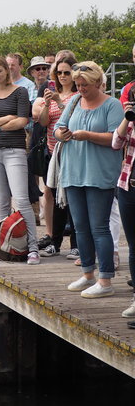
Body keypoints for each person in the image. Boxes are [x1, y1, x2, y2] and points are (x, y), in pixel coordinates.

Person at [55, 62, 123, 297]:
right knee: (80, 227)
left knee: (99, 228)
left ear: (97, 82)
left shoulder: (112, 105)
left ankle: (105, 281)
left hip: (99, 174)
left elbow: (116, 139)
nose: (81, 88)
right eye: (78, 84)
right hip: (74, 173)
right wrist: (60, 133)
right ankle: (87, 273)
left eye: (85, 84)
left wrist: (88, 136)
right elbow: (58, 127)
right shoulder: (74, 101)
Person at [0, 56, 40, 264]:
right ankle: (3, 246)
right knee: (2, 202)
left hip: (14, 150)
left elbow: (23, 120)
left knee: (22, 200)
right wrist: (6, 119)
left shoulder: (20, 92)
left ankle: (33, 247)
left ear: (7, 70)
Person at [33, 55, 79, 258]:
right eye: (58, 72)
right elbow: (43, 123)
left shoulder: (78, 95)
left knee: (72, 199)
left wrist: (60, 103)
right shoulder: (53, 94)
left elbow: (76, 120)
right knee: (54, 197)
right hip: (53, 153)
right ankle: (55, 242)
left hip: (74, 153)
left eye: (66, 72)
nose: (62, 76)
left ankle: (76, 245)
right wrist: (46, 104)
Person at [113, 98, 135, 320]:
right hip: (128, 186)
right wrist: (126, 118)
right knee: (133, 246)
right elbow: (116, 143)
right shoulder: (130, 121)